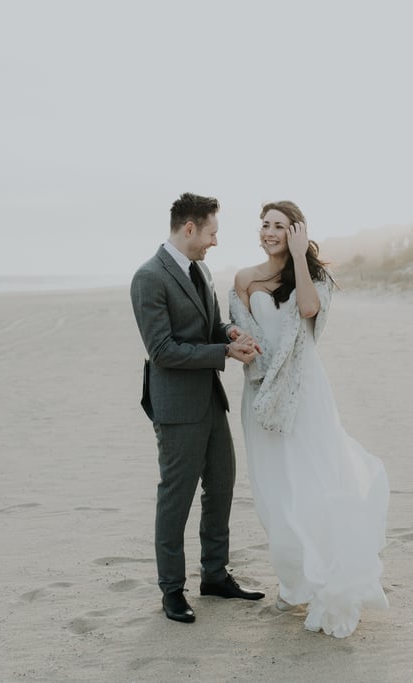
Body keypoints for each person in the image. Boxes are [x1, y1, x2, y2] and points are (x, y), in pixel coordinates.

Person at [229, 200, 389, 638]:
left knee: (313, 478)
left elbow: (307, 311)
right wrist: (232, 335)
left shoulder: (312, 276)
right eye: (264, 224)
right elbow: (241, 330)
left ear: (296, 232)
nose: (269, 231)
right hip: (262, 392)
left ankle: (323, 573)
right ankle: (292, 583)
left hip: (305, 389)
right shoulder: (244, 278)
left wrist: (299, 258)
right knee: (273, 489)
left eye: (279, 226)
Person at [130, 192, 265, 624]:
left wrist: (231, 334)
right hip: (176, 408)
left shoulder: (199, 270)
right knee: (176, 499)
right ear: (189, 228)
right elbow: (163, 350)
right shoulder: (148, 277)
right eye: (211, 233)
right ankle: (172, 590)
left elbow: (209, 325)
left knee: (221, 487)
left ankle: (214, 575)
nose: (214, 242)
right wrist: (222, 353)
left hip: (210, 401)